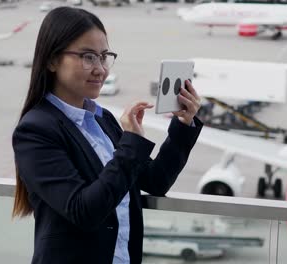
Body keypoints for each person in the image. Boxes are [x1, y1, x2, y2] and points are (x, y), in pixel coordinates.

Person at [11, 7, 202, 264]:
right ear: (52, 60)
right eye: (88, 57)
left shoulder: (103, 119)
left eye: (104, 56)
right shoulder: (36, 130)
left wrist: (183, 125)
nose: (100, 69)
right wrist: (131, 145)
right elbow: (83, 210)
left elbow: (156, 181)